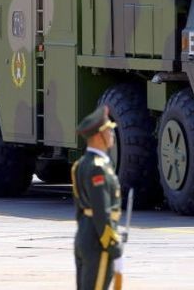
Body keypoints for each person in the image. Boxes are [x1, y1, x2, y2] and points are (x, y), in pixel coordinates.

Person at [71, 105, 123, 290]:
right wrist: (113, 244)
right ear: (98, 136)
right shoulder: (98, 168)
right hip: (98, 241)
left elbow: (80, 211)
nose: (111, 134)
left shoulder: (80, 165)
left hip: (85, 235)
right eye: (108, 130)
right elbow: (102, 212)